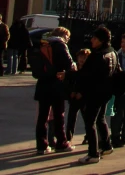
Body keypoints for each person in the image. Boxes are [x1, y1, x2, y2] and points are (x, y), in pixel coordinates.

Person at [76, 26, 117, 165]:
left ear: (101, 40)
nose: (92, 40)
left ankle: (93, 153)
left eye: (94, 38)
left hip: (95, 92)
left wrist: (70, 76)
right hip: (106, 91)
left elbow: (86, 75)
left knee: (90, 121)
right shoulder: (112, 52)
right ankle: (106, 145)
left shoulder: (97, 55)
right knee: (100, 118)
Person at [32, 26, 75, 154]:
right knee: (58, 115)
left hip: (43, 84)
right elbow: (69, 64)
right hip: (56, 84)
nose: (68, 39)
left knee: (42, 117)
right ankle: (61, 143)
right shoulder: (60, 45)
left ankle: (42, 145)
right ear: (63, 35)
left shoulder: (44, 44)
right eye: (67, 37)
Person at [65, 48, 91, 143]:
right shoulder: (74, 68)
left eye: (84, 57)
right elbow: (69, 82)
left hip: (84, 98)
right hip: (73, 97)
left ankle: (88, 136)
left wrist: (82, 93)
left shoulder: (89, 70)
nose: (82, 59)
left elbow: (88, 84)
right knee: (71, 118)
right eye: (80, 57)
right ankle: (68, 137)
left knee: (87, 119)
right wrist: (71, 92)